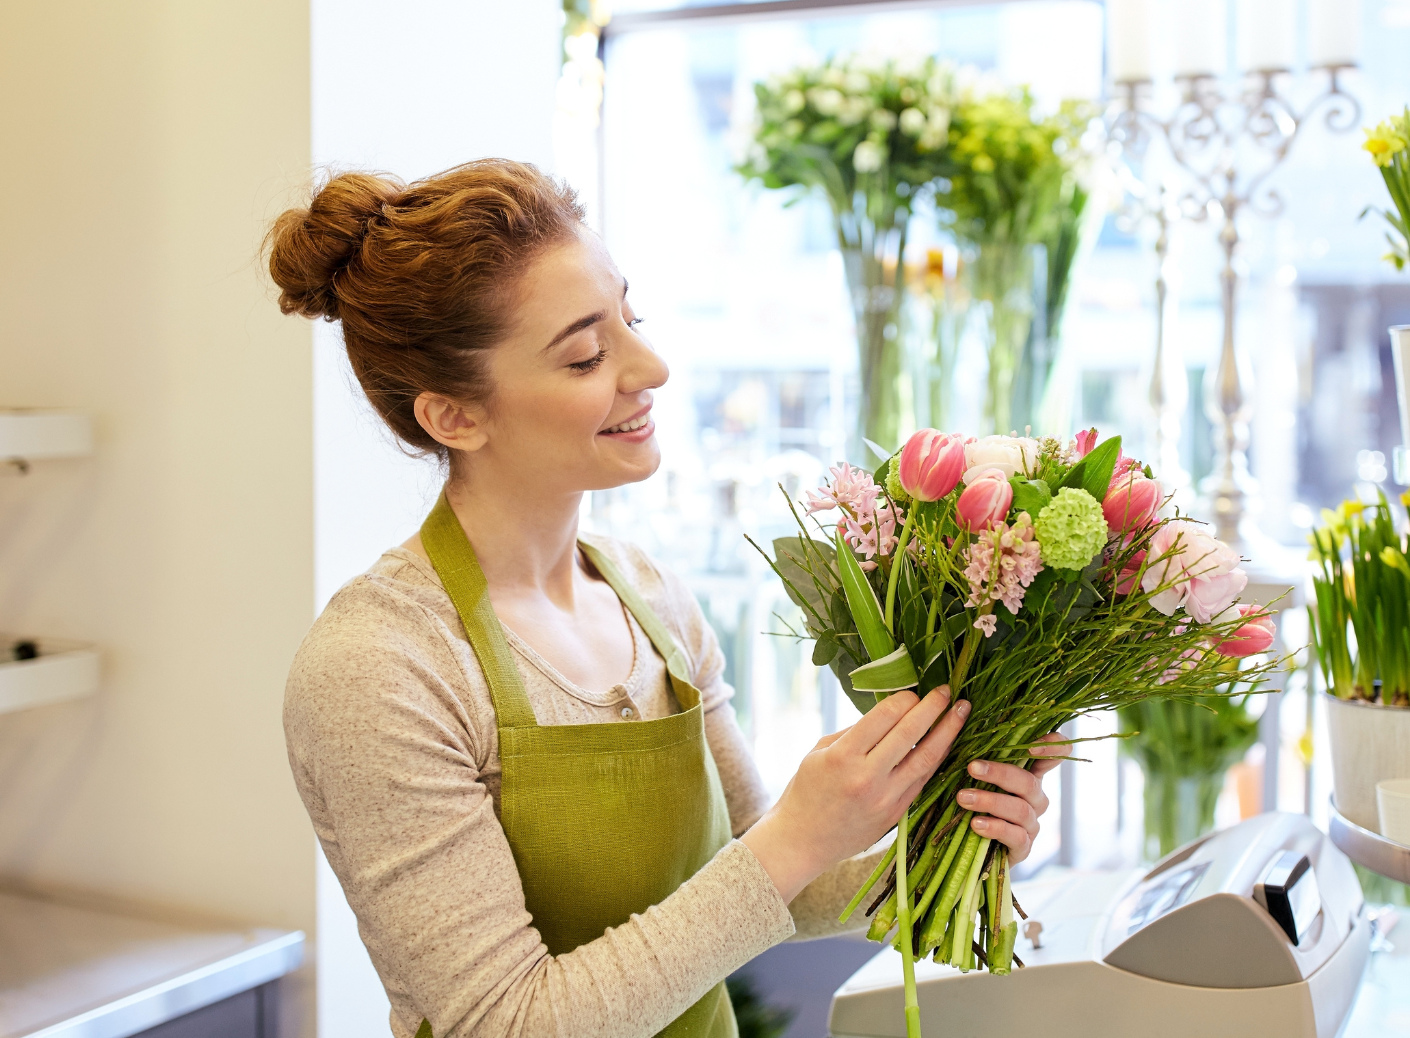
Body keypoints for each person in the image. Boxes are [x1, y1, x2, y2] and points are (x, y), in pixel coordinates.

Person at [270, 159, 1064, 1038]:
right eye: (585, 354)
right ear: (455, 416)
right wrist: (798, 835)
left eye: (630, 318)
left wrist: (951, 836)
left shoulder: (649, 597)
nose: (650, 366)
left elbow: (766, 891)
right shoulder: (379, 668)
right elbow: (505, 1023)